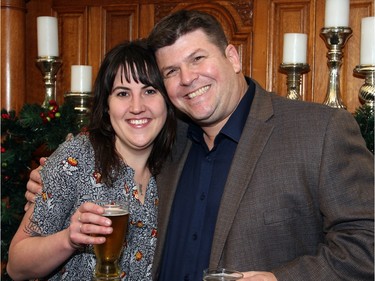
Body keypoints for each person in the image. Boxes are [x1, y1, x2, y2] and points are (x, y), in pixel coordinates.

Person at [25, 9, 374, 281]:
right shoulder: (168, 141)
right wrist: (51, 178)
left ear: (233, 58)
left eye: (197, 59)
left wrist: (279, 278)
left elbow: (366, 242)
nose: (187, 79)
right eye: (171, 71)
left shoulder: (319, 130)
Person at [7, 40, 176, 281]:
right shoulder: (76, 158)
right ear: (106, 105)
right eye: (122, 93)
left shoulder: (175, 167)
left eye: (149, 91)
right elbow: (16, 265)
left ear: (167, 102)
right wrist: (69, 239)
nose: (137, 107)